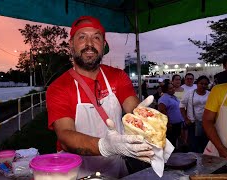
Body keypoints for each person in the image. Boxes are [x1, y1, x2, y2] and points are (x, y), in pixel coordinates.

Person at [46, 16, 154, 178]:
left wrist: (144, 117)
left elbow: (133, 108)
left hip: (116, 168)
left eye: (96, 37)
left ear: (103, 45)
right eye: (82, 37)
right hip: (75, 172)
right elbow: (65, 135)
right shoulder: (58, 88)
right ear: (71, 45)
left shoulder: (117, 76)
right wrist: (105, 146)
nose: (89, 44)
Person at [180, 76, 210, 153]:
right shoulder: (190, 93)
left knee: (205, 143)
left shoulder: (210, 94)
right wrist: (186, 119)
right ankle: (194, 160)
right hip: (193, 123)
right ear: (197, 84)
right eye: (201, 83)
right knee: (194, 144)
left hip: (206, 123)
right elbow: (181, 106)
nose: (203, 86)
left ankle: (204, 161)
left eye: (205, 84)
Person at [158, 82, 184, 147]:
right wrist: (168, 124)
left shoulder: (174, 97)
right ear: (166, 90)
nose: (173, 89)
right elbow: (162, 112)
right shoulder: (163, 99)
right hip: (171, 125)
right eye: (170, 88)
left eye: (173, 88)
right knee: (171, 143)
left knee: (175, 141)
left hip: (177, 124)